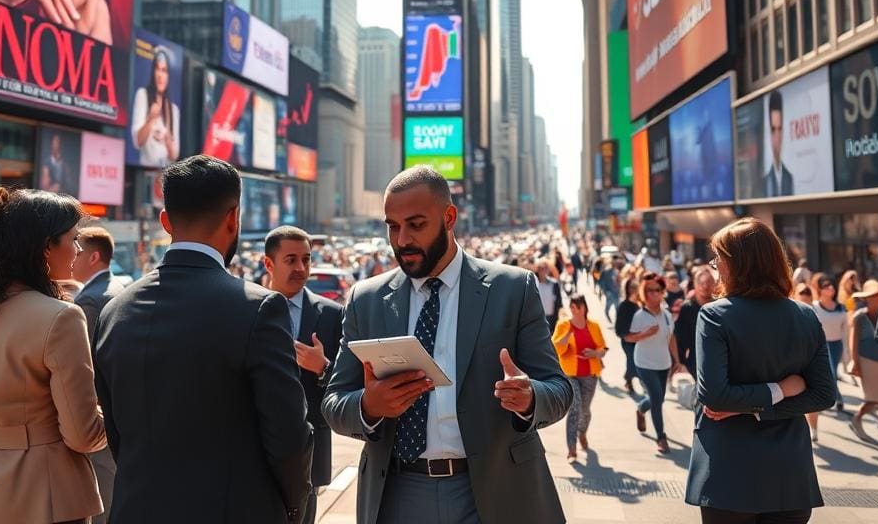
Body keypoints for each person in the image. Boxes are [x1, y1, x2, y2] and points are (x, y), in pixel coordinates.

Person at [322, 166, 573, 524]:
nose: (402, 239)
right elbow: (334, 402)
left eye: (416, 224)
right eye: (392, 226)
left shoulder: (513, 289)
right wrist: (369, 406)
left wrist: (530, 397)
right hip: (396, 494)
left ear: (449, 217)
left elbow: (560, 389)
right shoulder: (367, 299)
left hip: (492, 492)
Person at [94, 155, 313, 522]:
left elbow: (116, 432)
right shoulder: (258, 309)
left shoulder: (114, 310)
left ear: (165, 222)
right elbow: (288, 436)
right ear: (233, 218)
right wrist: (293, 506)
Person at [0, 187, 107, 524]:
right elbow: (82, 433)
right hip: (46, 492)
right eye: (72, 238)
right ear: (45, 247)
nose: (77, 248)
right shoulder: (61, 317)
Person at [686, 218, 836, 523]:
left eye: (719, 260)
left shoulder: (715, 315)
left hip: (728, 472)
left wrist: (751, 407)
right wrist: (780, 390)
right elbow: (823, 394)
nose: (716, 267)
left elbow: (715, 396)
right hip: (789, 473)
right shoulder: (806, 316)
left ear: (738, 264)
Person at [264, 226, 344, 524]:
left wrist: (323, 366)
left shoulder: (332, 314)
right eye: (291, 260)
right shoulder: (245, 308)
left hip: (308, 452)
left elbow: (349, 383)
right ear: (269, 264)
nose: (301, 268)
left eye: (306, 259)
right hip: (256, 446)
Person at [71, 226, 125, 524]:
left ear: (94, 257)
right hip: (116, 412)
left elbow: (85, 368)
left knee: (102, 503)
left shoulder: (91, 301)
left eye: (78, 251)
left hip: (98, 415)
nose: (73, 258)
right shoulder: (115, 289)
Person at [626, 273, 680, 453]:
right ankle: (661, 437)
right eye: (650, 290)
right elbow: (630, 338)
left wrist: (676, 360)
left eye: (658, 290)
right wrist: (645, 334)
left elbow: (671, 338)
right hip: (644, 363)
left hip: (663, 363)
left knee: (658, 398)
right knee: (657, 399)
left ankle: (641, 409)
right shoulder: (639, 315)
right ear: (644, 293)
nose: (655, 293)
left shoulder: (666, 315)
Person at [552, 294, 607, 461]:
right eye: (572, 307)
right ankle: (572, 449)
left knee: (585, 410)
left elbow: (603, 348)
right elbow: (556, 346)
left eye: (577, 307)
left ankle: (582, 432)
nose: (574, 310)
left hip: (590, 373)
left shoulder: (594, 326)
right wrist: (567, 335)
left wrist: (595, 353)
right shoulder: (564, 325)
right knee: (574, 409)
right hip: (570, 373)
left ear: (584, 308)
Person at [847, 280, 878, 448]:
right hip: (868, 361)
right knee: (876, 399)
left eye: (877, 296)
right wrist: (854, 361)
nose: (874, 299)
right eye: (871, 297)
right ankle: (857, 416)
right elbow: (853, 340)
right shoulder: (860, 316)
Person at [131, 47, 181, 167]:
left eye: (164, 70)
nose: (160, 75)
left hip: (166, 175)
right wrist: (151, 119)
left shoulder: (173, 110)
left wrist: (167, 137)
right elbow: (137, 142)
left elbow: (174, 155)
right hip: (146, 171)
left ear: (168, 75)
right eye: (157, 69)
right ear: (153, 72)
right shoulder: (143, 95)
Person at [810, 275, 847, 419]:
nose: (830, 288)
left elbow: (845, 329)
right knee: (830, 373)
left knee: (833, 372)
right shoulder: (814, 307)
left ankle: (834, 398)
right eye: (826, 286)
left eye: (832, 286)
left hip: (837, 344)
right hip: (822, 344)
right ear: (820, 290)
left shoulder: (841, 307)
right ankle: (837, 398)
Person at [674, 266, 716, 381]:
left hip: (719, 361)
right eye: (701, 283)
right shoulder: (687, 308)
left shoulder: (720, 307)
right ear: (695, 284)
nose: (705, 286)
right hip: (695, 362)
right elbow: (681, 339)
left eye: (709, 282)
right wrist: (680, 362)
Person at [763, 90, 794, 197]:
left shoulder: (789, 178)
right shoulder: (764, 182)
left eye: (779, 129)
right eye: (773, 130)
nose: (777, 137)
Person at [615, 278, 641, 394]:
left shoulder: (640, 305)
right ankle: (629, 380)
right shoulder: (624, 306)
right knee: (632, 362)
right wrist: (626, 335)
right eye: (632, 288)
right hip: (628, 341)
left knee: (636, 363)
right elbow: (619, 327)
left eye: (636, 287)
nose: (634, 290)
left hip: (641, 339)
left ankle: (628, 378)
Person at [535, 258, 562, 333]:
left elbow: (559, 302)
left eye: (545, 268)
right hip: (538, 318)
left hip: (552, 318)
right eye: (541, 268)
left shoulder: (554, 284)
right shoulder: (534, 284)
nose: (543, 270)